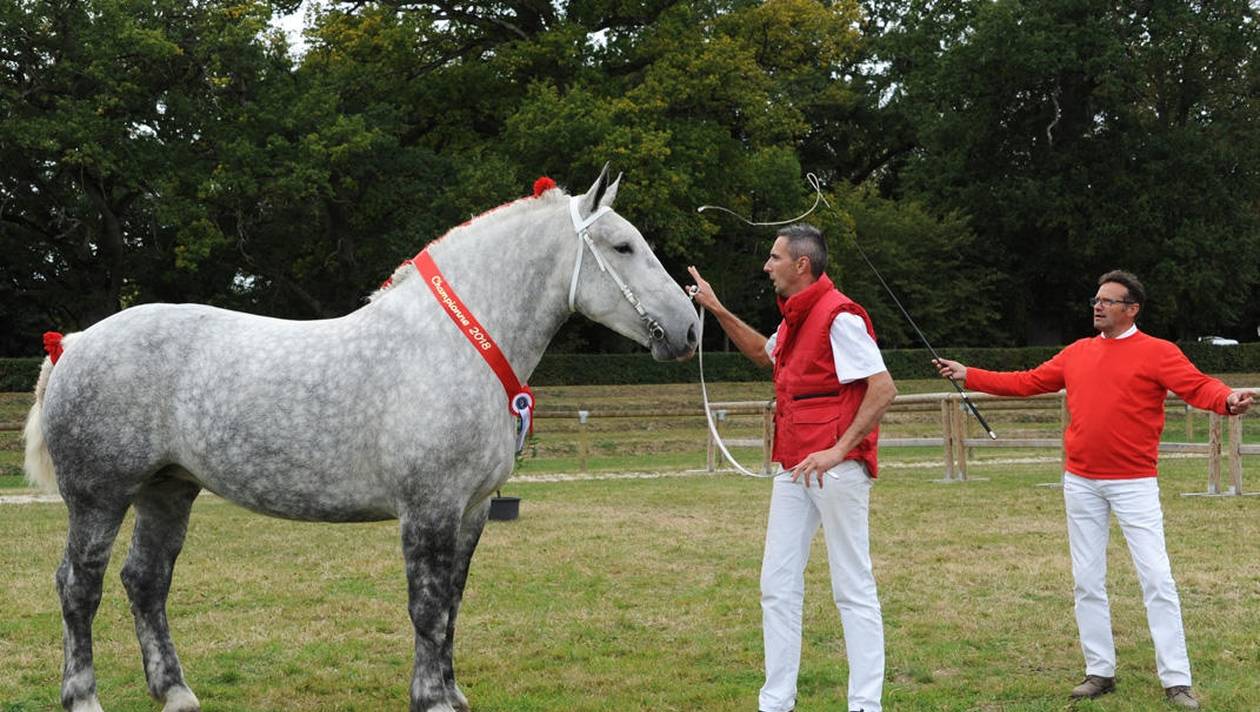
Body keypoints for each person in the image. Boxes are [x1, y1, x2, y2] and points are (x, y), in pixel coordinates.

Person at [933, 270, 1255, 710]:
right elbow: (1026, 382)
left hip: (1134, 484)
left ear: (1132, 308)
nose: (1097, 306)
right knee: (1087, 580)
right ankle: (1099, 671)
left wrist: (1226, 399)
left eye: (1108, 300)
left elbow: (1199, 386)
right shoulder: (1077, 353)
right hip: (1080, 481)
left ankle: (1176, 679)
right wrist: (969, 373)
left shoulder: (1159, 352)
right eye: (1095, 300)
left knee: (1157, 579)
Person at [688, 223, 896, 712]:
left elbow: (883, 389)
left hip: (835, 469)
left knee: (852, 586)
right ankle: (775, 701)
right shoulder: (795, 318)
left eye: (775, 258)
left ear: (802, 265)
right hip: (794, 466)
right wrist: (716, 308)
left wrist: (839, 450)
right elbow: (766, 353)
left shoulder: (839, 316)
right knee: (776, 585)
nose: (767, 266)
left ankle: (866, 704)